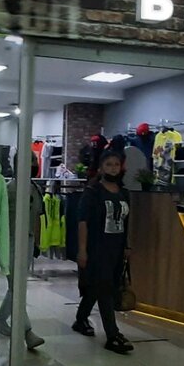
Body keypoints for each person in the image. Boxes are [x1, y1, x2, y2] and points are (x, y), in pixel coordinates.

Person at [72, 150, 133, 354]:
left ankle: (81, 319)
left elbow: (126, 221)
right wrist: (82, 250)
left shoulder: (124, 193)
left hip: (116, 248)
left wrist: (127, 246)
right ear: (100, 168)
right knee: (105, 289)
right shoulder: (93, 192)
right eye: (108, 164)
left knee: (98, 287)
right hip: (97, 247)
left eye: (116, 164)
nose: (113, 168)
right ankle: (112, 334)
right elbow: (83, 222)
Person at [0, 152, 46, 350]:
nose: (32, 164)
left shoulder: (36, 189)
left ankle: (0, 320)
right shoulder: (9, 188)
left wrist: (37, 243)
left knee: (16, 287)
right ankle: (27, 332)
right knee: (17, 287)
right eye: (28, 160)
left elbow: (38, 216)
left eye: (34, 160)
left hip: (27, 241)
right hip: (10, 241)